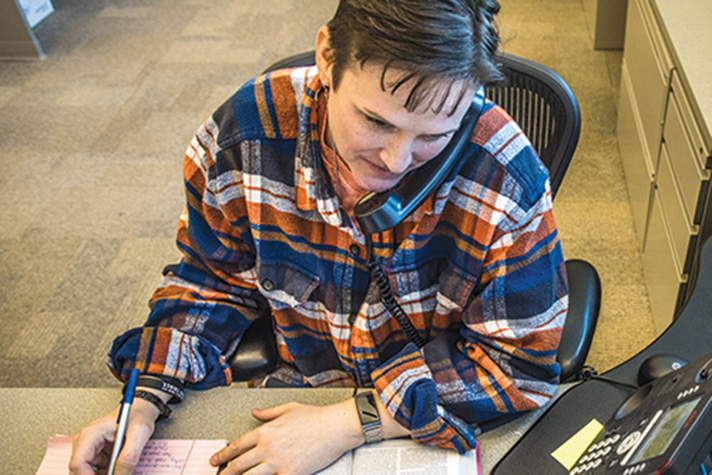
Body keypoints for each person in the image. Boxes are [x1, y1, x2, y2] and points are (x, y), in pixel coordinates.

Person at [70, 0, 568, 473]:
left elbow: (517, 368)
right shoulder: (246, 135)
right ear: (328, 57)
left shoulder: (506, 174)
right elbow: (212, 281)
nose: (395, 162)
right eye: (375, 120)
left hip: (426, 422)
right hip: (292, 397)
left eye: (433, 136)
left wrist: (352, 422)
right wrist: (145, 399)